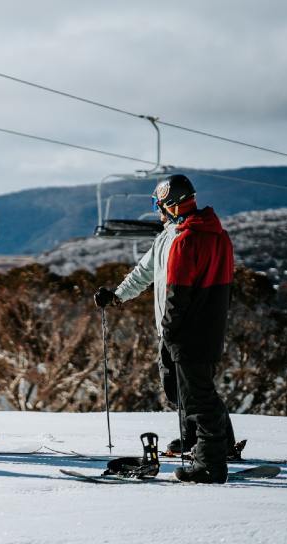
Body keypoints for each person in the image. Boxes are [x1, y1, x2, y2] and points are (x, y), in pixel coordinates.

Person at [94, 174, 236, 484]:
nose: (158, 212)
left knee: (196, 395)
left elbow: (178, 292)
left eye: (159, 206)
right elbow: (145, 272)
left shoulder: (186, 238)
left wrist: (171, 330)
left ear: (171, 205)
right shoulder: (189, 236)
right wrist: (117, 295)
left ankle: (209, 459)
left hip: (185, 329)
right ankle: (208, 442)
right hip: (196, 327)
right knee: (184, 389)